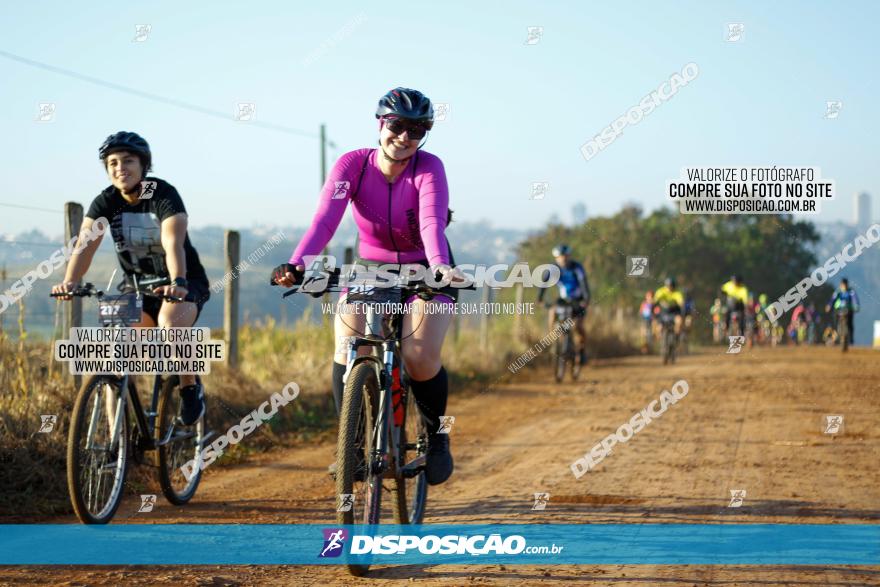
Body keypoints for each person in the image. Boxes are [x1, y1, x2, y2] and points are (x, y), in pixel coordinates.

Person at [271, 88, 462, 486]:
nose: (405, 137)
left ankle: (436, 438)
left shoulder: (429, 167)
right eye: (397, 126)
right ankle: (352, 446)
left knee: (419, 354)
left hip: (427, 266)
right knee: (346, 345)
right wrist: (297, 263)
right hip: (372, 267)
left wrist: (441, 266)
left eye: (417, 129)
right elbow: (325, 219)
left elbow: (430, 222)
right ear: (380, 124)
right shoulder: (352, 165)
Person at [51, 132, 211, 425]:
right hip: (137, 288)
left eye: (128, 160)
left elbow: (172, 242)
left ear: (143, 165)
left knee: (170, 324)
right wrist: (70, 280)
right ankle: (118, 444)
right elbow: (85, 246)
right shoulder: (106, 201)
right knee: (115, 359)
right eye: (112, 163)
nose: (119, 168)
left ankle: (190, 386)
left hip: (183, 282)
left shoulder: (161, 194)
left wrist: (178, 282)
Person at [537, 244, 591, 365]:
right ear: (556, 258)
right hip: (563, 299)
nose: (563, 259)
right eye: (560, 257)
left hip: (578, 299)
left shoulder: (577, 268)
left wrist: (586, 300)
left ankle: (581, 350)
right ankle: (553, 343)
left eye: (565, 256)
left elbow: (584, 284)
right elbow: (544, 283)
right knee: (552, 312)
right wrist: (540, 299)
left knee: (578, 326)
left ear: (569, 256)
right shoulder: (553, 269)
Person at [826, 278, 859, 345]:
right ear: (841, 285)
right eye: (843, 285)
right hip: (838, 309)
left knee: (850, 324)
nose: (844, 287)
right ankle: (834, 336)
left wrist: (856, 306)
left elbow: (855, 299)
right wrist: (829, 306)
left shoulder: (851, 292)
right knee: (835, 323)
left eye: (845, 285)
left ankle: (851, 339)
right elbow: (832, 299)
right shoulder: (838, 292)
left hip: (848, 310)